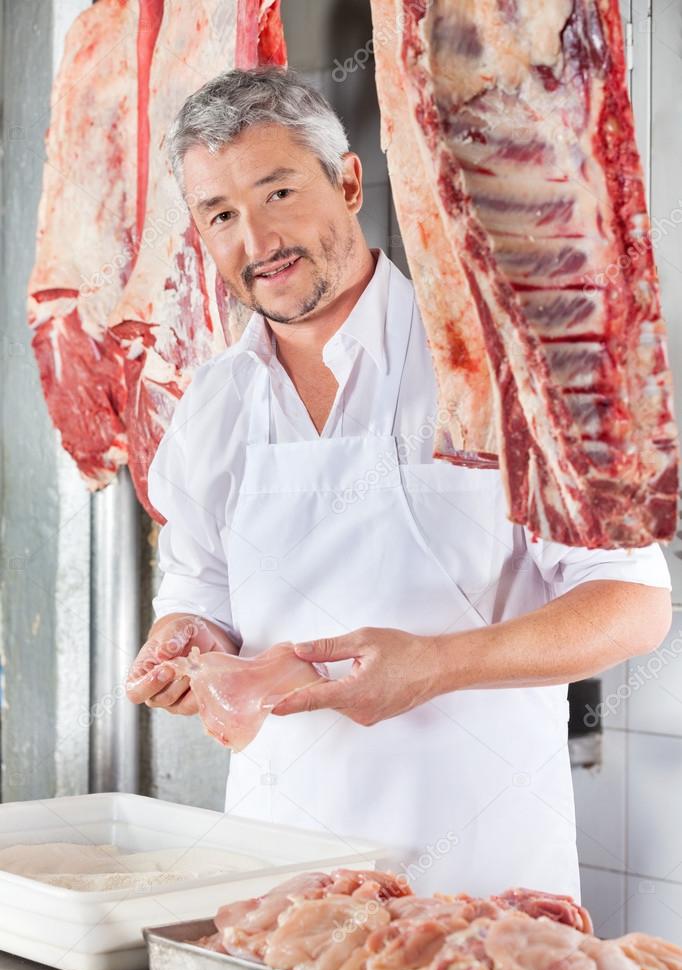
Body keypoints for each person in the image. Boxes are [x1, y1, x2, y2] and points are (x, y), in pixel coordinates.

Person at [126, 66, 672, 897]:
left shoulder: (491, 366)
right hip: (279, 890)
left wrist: (437, 664)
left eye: (278, 193)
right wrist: (187, 639)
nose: (258, 241)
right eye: (222, 214)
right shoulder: (211, 405)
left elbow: (632, 604)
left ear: (347, 181)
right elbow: (201, 594)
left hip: (484, 887)